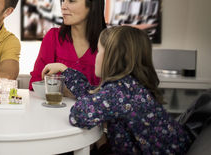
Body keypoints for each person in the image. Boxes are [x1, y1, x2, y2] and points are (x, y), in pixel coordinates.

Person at [42, 26, 193, 154]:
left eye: (99, 51)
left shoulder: (118, 92)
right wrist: (65, 69)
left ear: (111, 57)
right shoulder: (129, 85)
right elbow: (92, 95)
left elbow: (79, 116)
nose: (95, 57)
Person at [29, 0, 106, 90]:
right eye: (63, 0)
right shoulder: (53, 37)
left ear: (91, 6)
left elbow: (112, 93)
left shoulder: (110, 42)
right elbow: (35, 83)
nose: (63, 7)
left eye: (71, 1)